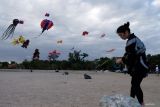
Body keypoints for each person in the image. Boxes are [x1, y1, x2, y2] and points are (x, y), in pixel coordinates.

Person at [116, 22, 149, 106]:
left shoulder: (131, 41)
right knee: (134, 84)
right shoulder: (132, 39)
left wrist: (121, 60)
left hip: (140, 66)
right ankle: (131, 101)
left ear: (126, 32)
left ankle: (141, 104)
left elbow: (130, 56)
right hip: (139, 66)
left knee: (135, 84)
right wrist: (123, 58)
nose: (120, 37)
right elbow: (128, 54)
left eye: (121, 35)